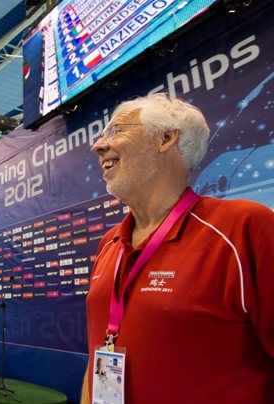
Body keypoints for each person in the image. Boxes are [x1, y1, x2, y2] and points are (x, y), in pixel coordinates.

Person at [81, 93, 274, 404]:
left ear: (166, 138)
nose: (98, 145)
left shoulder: (243, 229)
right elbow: (98, 355)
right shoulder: (110, 243)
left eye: (116, 131)